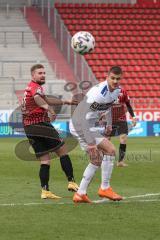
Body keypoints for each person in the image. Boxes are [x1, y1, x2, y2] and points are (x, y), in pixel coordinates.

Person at [21, 64, 78, 199]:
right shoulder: (35, 87)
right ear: (33, 75)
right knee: (62, 151)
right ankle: (72, 182)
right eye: (40, 73)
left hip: (29, 127)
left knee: (45, 160)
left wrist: (66, 102)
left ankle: (45, 191)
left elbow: (45, 99)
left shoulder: (31, 87)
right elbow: (38, 99)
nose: (43, 75)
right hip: (40, 124)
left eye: (44, 73)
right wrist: (49, 109)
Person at [69, 66, 123, 203]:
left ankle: (80, 194)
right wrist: (91, 143)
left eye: (118, 78)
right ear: (107, 77)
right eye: (113, 78)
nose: (115, 81)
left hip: (90, 126)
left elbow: (109, 107)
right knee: (110, 150)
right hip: (79, 125)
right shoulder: (97, 93)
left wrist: (109, 124)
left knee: (96, 160)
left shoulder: (117, 91)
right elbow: (80, 117)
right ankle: (105, 188)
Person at [109, 87, 137, 167]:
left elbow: (128, 105)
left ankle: (120, 161)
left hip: (121, 118)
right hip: (109, 119)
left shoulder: (123, 91)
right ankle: (104, 159)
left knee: (123, 138)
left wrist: (133, 117)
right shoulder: (106, 91)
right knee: (107, 139)